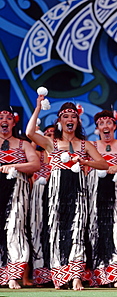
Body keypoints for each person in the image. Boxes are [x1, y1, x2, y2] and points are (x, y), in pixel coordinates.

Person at [26, 96, 108, 290]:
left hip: (78, 191)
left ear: (78, 121)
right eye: (66, 117)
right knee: (56, 232)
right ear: (59, 121)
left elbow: (103, 164)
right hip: (56, 192)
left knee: (77, 231)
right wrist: (38, 107)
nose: (70, 119)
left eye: (73, 116)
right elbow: (30, 132)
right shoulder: (50, 143)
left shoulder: (85, 145)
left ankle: (76, 276)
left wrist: (86, 162)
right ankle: (60, 276)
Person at [87, 110, 117, 288]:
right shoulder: (90, 145)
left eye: (109, 123)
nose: (105, 126)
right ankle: (98, 276)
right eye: (101, 124)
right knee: (94, 229)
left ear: (114, 126)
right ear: (97, 128)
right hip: (94, 192)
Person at [0, 106, 40, 289]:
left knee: (14, 229)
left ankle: (13, 276)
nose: (4, 121)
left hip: (17, 191)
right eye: (1, 117)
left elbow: (35, 164)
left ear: (14, 122)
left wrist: (15, 166)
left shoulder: (23, 144)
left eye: (8, 118)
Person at [29, 126, 53, 286]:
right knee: (37, 231)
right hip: (37, 197)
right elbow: (29, 160)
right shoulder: (37, 155)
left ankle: (56, 272)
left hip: (56, 196)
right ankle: (40, 276)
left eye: (53, 134)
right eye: (47, 134)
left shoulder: (60, 154)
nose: (50, 137)